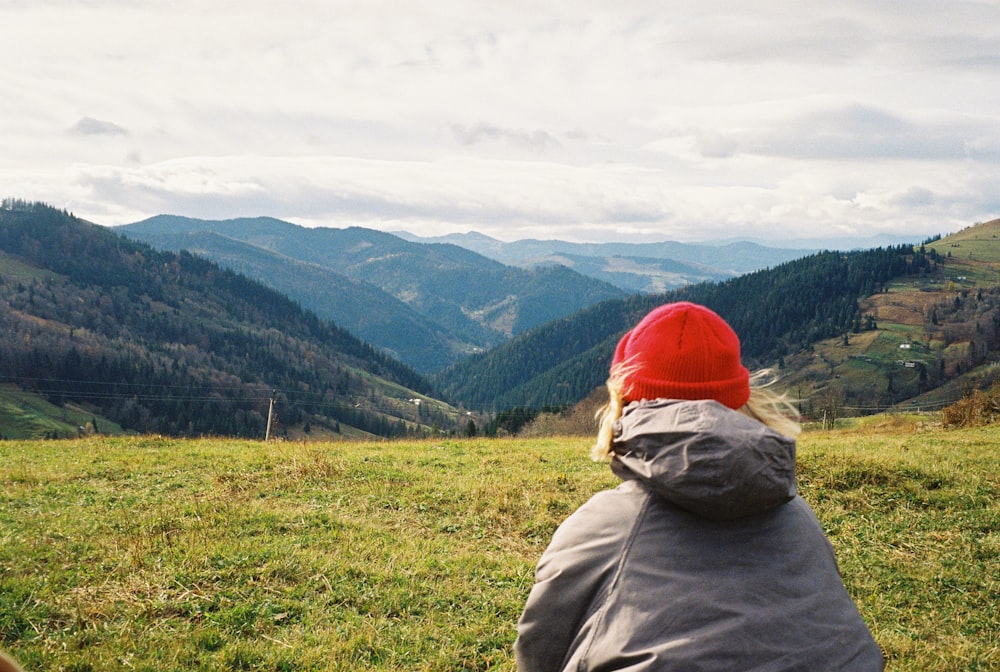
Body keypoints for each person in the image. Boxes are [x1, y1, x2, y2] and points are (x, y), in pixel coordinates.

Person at [514, 301, 883, 671]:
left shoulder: (603, 526)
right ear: (740, 400)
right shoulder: (797, 515)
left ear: (624, 400)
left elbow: (539, 650)